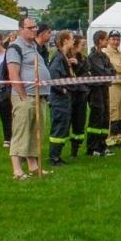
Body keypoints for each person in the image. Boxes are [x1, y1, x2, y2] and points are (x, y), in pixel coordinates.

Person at [6, 16, 50, 179]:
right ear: (21, 29)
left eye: (35, 27)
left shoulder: (33, 46)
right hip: (25, 96)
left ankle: (33, 166)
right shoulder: (15, 47)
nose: (35, 30)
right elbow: (13, 74)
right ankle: (17, 170)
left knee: (35, 132)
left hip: (39, 95)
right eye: (30, 28)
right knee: (21, 131)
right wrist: (23, 96)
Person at [47, 31, 76, 166]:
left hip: (65, 99)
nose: (73, 41)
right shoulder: (58, 58)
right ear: (65, 41)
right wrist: (62, 89)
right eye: (71, 39)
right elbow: (53, 76)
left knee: (63, 127)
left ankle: (57, 155)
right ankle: (54, 157)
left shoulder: (64, 57)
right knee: (58, 127)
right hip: (59, 100)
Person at [85, 31, 114, 157]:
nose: (107, 42)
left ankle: (103, 144)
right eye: (106, 40)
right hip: (95, 91)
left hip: (105, 89)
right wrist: (107, 72)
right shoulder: (92, 57)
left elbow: (112, 71)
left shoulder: (104, 56)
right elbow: (102, 72)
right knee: (96, 118)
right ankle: (93, 147)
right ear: (100, 40)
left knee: (105, 117)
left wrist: (108, 72)